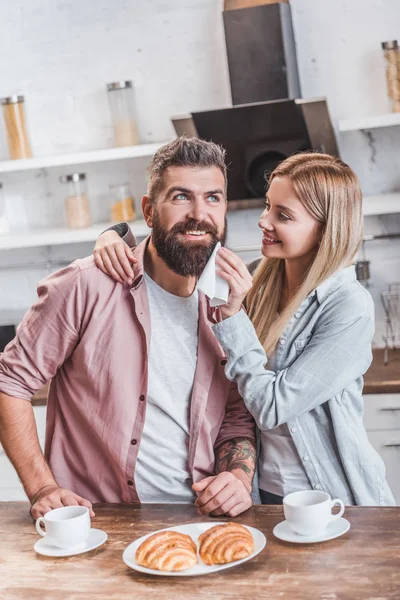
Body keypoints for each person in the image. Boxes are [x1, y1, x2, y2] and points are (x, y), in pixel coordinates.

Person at [98, 151, 395, 506]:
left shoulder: (349, 306)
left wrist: (234, 314)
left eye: (282, 216)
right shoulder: (256, 275)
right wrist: (114, 236)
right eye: (268, 206)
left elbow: (271, 407)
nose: (263, 221)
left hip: (329, 496)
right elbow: (177, 247)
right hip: (259, 493)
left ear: (324, 230)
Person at [0, 137, 256, 520]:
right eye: (181, 197)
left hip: (201, 521)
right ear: (149, 212)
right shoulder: (87, 285)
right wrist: (43, 487)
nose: (199, 214)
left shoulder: (228, 302)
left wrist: (237, 476)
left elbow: (237, 412)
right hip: (98, 522)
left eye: (213, 198)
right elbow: (10, 382)